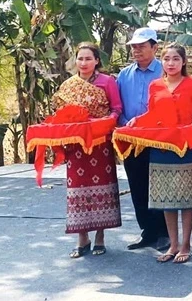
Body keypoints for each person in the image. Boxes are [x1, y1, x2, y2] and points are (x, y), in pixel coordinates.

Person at [57, 43, 123, 258]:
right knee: (77, 188)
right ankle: (82, 238)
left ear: (96, 61)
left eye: (88, 59)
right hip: (75, 146)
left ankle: (100, 237)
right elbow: (60, 114)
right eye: (80, 58)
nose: (83, 63)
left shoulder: (107, 82)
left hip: (99, 143)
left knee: (101, 186)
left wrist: (105, 122)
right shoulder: (68, 85)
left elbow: (116, 109)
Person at [145, 44, 192, 264]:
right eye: (166, 59)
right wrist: (136, 123)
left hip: (185, 148)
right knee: (166, 198)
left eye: (175, 59)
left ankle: (186, 244)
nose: (170, 63)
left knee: (185, 198)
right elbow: (150, 116)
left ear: (183, 62)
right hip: (161, 147)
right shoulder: (154, 86)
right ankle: (173, 244)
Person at [116, 27, 168, 251]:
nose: (136, 50)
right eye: (133, 47)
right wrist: (126, 123)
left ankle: (165, 232)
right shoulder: (124, 75)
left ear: (154, 47)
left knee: (160, 185)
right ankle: (147, 230)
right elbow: (117, 106)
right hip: (131, 140)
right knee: (137, 186)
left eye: (142, 46)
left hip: (158, 138)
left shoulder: (165, 72)